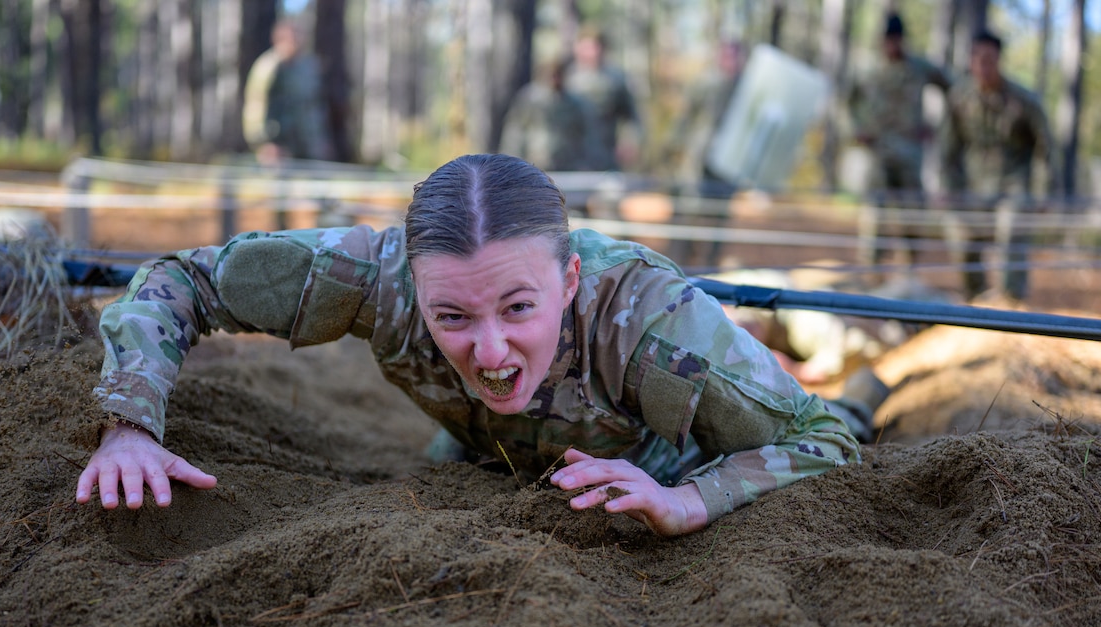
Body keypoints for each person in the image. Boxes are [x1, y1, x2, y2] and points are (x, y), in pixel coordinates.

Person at [76, 154, 871, 538]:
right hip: (480, 454)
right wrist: (130, 425)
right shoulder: (373, 277)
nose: (490, 351)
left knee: (850, 413)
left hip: (657, 463)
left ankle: (877, 386)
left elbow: (820, 439)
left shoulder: (654, 322)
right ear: (411, 283)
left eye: (518, 307)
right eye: (450, 316)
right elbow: (183, 278)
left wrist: (688, 500)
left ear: (566, 279)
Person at [941, 29, 1057, 301]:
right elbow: (946, 148)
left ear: (999, 60)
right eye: (977, 58)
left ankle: (1011, 301)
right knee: (960, 235)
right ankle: (976, 297)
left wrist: (1044, 192)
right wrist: (947, 188)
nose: (983, 65)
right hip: (974, 188)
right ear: (970, 61)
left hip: (1013, 186)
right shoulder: (959, 98)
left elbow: (1047, 147)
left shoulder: (1024, 100)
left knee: (1011, 228)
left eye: (989, 58)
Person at [846, 13, 951, 267]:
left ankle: (910, 267)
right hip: (878, 150)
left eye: (896, 39)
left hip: (909, 151)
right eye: (887, 40)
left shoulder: (919, 68)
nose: (892, 45)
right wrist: (857, 128)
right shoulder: (869, 69)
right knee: (875, 210)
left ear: (903, 39)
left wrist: (937, 127)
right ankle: (872, 267)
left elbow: (954, 89)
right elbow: (848, 102)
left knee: (912, 211)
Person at [666, 39, 746, 267]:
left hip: (728, 164)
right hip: (697, 163)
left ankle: (711, 266)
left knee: (718, 217)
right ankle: (679, 263)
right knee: (687, 212)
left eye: (733, 56)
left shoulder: (745, 89)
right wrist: (674, 146)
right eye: (725, 55)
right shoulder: (705, 83)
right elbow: (686, 118)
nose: (728, 61)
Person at [242, 17, 334, 165]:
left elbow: (316, 105)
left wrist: (322, 140)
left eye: (300, 35)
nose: (297, 39)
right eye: (292, 35)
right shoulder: (267, 67)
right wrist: (262, 143)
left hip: (309, 146)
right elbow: (255, 107)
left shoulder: (309, 67)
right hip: (278, 147)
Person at [498, 57, 604, 172]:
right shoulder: (530, 100)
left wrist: (589, 164)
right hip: (536, 164)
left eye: (558, 75)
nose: (554, 80)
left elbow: (590, 136)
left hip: (569, 165)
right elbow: (515, 133)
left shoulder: (576, 103)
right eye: (551, 76)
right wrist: (512, 164)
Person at [563, 26, 643, 171]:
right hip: (570, 159)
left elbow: (632, 117)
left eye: (596, 47)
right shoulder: (566, 79)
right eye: (587, 47)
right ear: (578, 48)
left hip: (605, 156)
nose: (592, 52)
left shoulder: (615, 79)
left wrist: (629, 142)